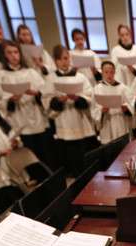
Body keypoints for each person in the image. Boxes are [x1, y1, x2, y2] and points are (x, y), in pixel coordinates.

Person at [0, 40, 53, 168]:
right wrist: (11, 99)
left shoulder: (31, 72)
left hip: (37, 118)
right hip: (19, 119)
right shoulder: (1, 76)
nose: (14, 56)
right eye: (9, 53)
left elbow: (45, 92)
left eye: (16, 52)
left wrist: (36, 94)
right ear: (4, 56)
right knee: (28, 155)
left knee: (44, 154)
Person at [44, 45, 96, 177]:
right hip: (64, 120)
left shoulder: (80, 77)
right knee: (70, 154)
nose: (64, 61)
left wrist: (78, 98)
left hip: (80, 119)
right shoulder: (51, 79)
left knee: (84, 154)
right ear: (55, 61)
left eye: (66, 58)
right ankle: (76, 176)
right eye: (60, 59)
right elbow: (46, 99)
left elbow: (89, 95)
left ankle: (87, 176)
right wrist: (59, 101)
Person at [93, 61, 134, 145]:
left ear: (114, 72)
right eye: (106, 72)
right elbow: (94, 108)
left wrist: (126, 108)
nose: (109, 75)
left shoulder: (123, 88)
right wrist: (102, 111)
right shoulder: (97, 89)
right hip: (106, 123)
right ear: (102, 72)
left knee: (122, 148)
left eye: (111, 72)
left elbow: (131, 103)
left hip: (120, 121)